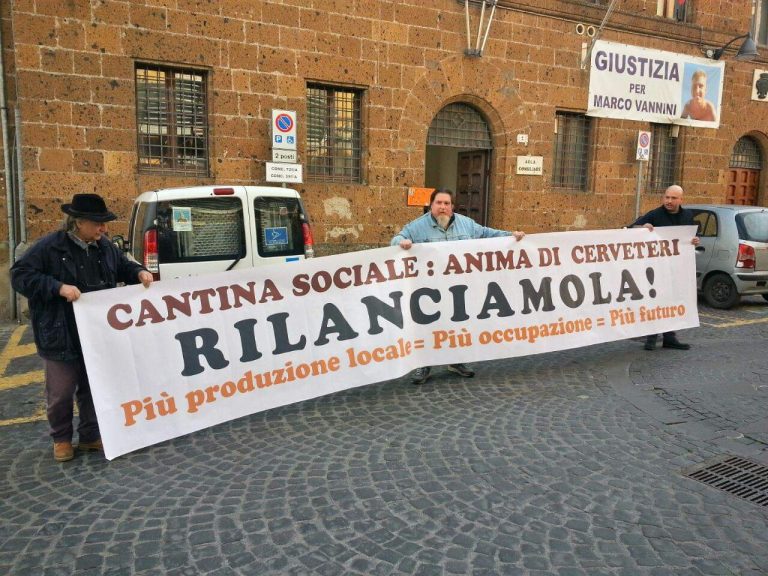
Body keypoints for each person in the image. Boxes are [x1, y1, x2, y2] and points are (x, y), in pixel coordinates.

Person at [11, 193, 154, 462]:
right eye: (98, 223)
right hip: (61, 332)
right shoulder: (49, 247)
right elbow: (20, 275)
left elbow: (123, 265)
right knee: (61, 391)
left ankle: (90, 436)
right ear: (78, 223)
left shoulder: (105, 247)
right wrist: (57, 288)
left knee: (93, 388)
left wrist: (138, 272)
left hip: (97, 333)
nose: (104, 229)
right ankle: (62, 439)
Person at [391, 188, 525, 385]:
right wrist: (402, 242)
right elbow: (396, 239)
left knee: (457, 324)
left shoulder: (466, 224)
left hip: (459, 288)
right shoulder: (417, 227)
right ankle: (424, 365)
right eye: (439, 203)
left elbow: (487, 234)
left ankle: (456, 361)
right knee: (429, 325)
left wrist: (511, 236)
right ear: (431, 205)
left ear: (452, 207)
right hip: (430, 289)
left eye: (447, 204)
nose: (443, 207)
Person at [630, 185, 700, 351]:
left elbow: (691, 238)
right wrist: (642, 227)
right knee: (655, 301)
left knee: (671, 301)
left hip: (676, 268)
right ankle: (651, 337)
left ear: (681, 200)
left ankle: (669, 337)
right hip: (656, 268)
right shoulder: (655, 214)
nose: (669, 201)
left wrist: (695, 240)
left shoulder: (688, 216)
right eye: (667, 197)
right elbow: (630, 228)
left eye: (673, 198)